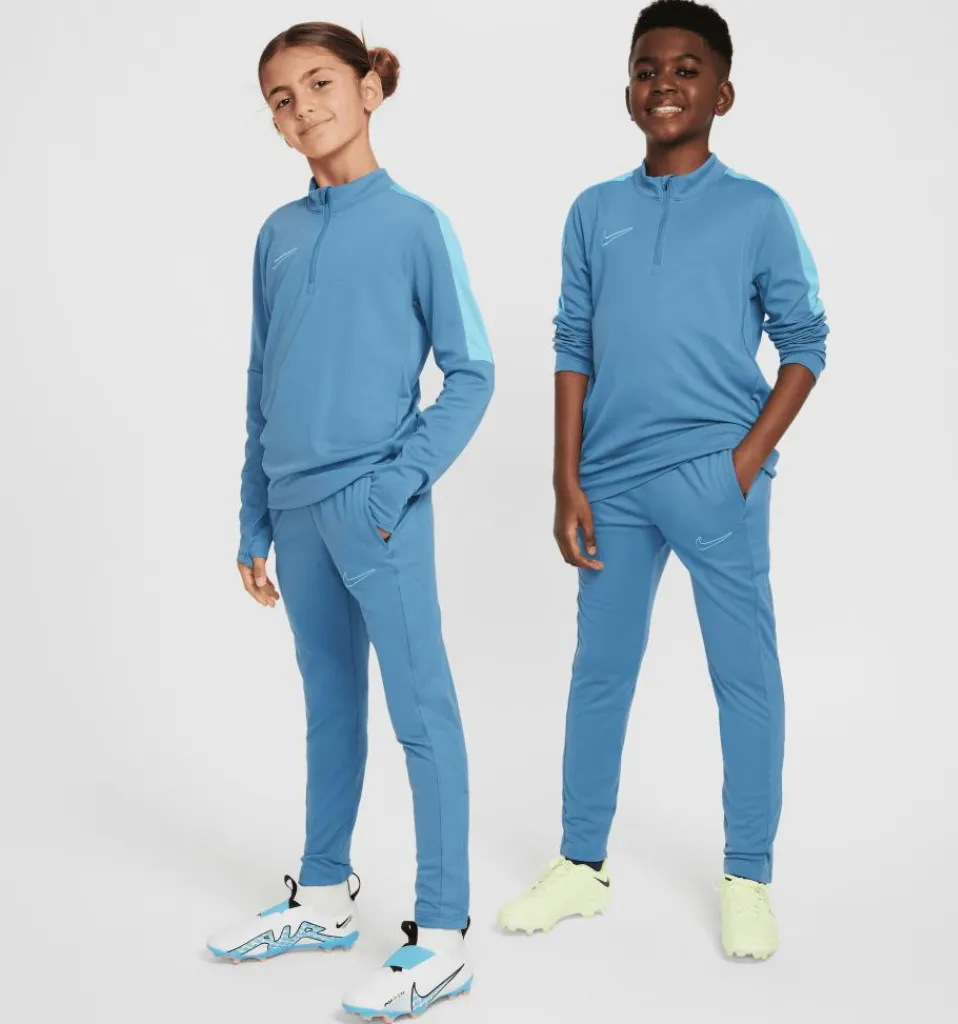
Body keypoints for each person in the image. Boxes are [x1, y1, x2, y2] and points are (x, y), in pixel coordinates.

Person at [498, 0, 828, 961]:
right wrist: (565, 480)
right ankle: (581, 864)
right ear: (628, 91)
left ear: (722, 93)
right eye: (648, 68)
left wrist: (743, 463)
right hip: (610, 486)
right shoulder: (593, 213)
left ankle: (748, 875)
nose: (665, 84)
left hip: (713, 478)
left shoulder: (756, 210)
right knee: (600, 672)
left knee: (743, 675)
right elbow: (572, 343)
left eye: (687, 69)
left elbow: (805, 344)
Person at [205, 22, 493, 1018]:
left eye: (320, 83)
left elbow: (472, 371)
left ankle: (443, 936)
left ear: (370, 88)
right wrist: (253, 513)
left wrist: (396, 482)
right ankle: (323, 897)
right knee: (330, 705)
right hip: (292, 511)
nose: (303, 107)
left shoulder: (415, 225)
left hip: (376, 509)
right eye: (281, 98)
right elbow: (263, 379)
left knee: (422, 714)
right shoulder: (276, 235)